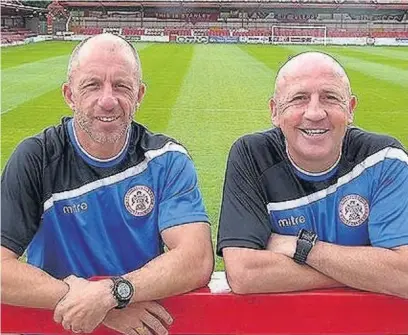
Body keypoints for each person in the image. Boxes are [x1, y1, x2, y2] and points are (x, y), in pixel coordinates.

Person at [1, 33, 214, 334]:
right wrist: (90, 304)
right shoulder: (36, 158)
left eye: (121, 86)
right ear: (69, 95)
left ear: (139, 95)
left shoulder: (167, 160)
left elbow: (196, 259)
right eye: (92, 85)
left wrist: (112, 294)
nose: (108, 100)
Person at [217, 51, 408, 298]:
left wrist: (302, 247)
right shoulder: (252, 155)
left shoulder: (383, 158)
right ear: (275, 111)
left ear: (350, 109)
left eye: (330, 98)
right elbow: (244, 274)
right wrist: (364, 272)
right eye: (299, 98)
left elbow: (404, 276)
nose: (315, 113)